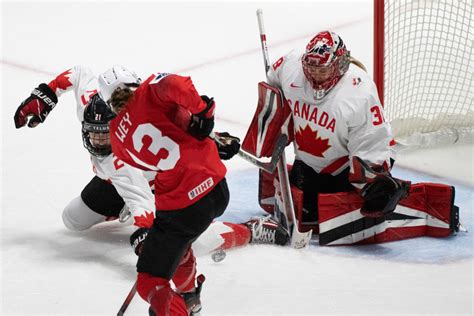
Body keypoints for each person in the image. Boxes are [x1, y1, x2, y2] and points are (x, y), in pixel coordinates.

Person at [12, 65, 289, 257]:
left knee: (188, 249)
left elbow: (142, 202)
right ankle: (124, 209)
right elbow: (79, 72)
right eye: (93, 135)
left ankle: (250, 231)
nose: (98, 143)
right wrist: (47, 94)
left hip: (159, 187)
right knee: (72, 219)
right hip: (124, 182)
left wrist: (146, 237)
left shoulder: (123, 163)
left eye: (104, 136)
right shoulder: (92, 106)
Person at [97, 65, 288, 315]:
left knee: (150, 282)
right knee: (181, 247)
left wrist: (205, 135)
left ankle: (250, 232)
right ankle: (189, 297)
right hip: (215, 188)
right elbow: (177, 88)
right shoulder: (149, 89)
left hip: (181, 208)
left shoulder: (117, 140)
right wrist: (204, 117)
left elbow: (160, 142)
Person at [264, 31, 407, 224]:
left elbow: (372, 137)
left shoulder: (359, 91)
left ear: (340, 64)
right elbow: (273, 80)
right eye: (310, 68)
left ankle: (386, 189)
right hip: (307, 162)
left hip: (343, 168)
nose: (315, 75)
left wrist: (373, 180)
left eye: (322, 70)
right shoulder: (292, 66)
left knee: (335, 211)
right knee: (307, 213)